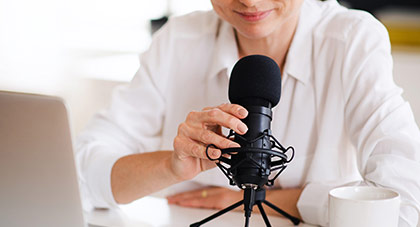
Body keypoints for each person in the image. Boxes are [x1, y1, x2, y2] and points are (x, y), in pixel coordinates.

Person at [75, 0, 420, 226]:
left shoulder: (352, 40)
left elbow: (403, 203)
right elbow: (79, 174)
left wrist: (265, 201)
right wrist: (169, 165)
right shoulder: (176, 40)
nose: (251, 1)